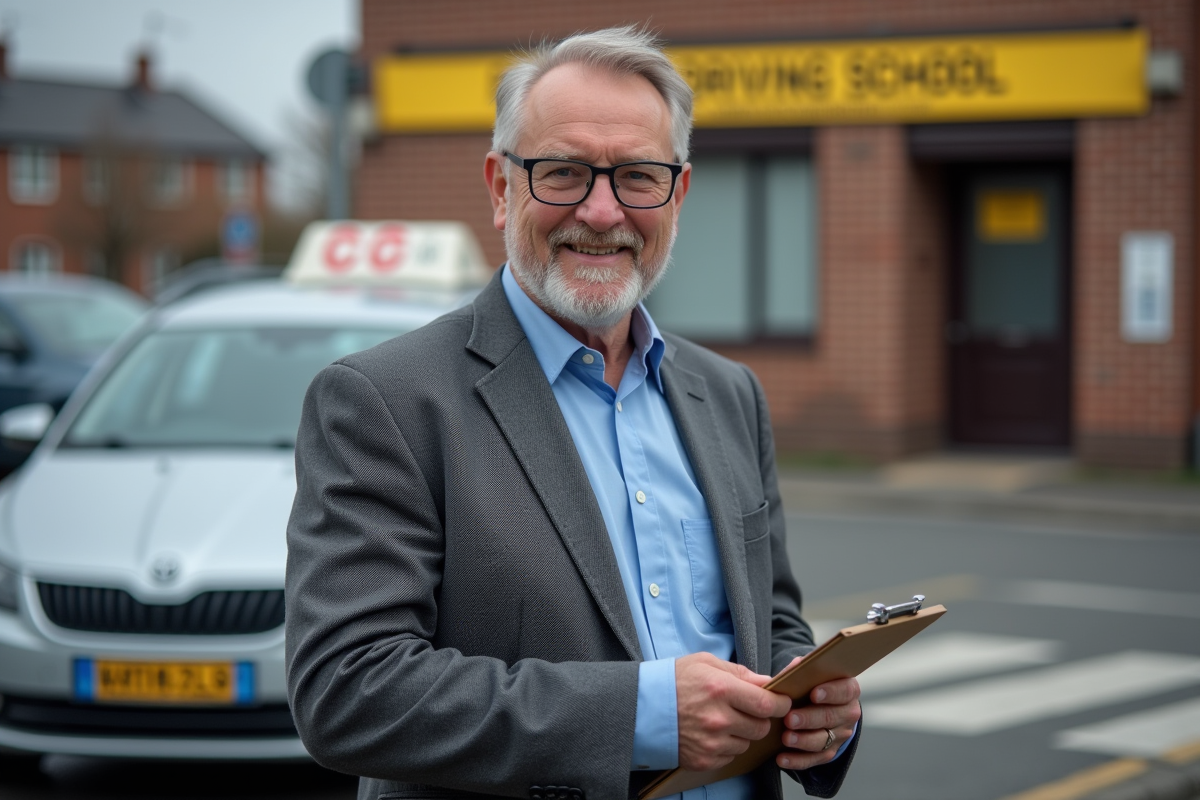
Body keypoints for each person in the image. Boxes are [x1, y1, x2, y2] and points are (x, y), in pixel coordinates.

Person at [286, 24, 861, 800]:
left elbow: (772, 627)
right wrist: (643, 714)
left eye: (637, 176)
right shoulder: (386, 401)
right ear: (500, 187)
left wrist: (818, 712)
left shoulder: (728, 394)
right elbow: (349, 693)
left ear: (678, 195)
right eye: (562, 173)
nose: (600, 211)